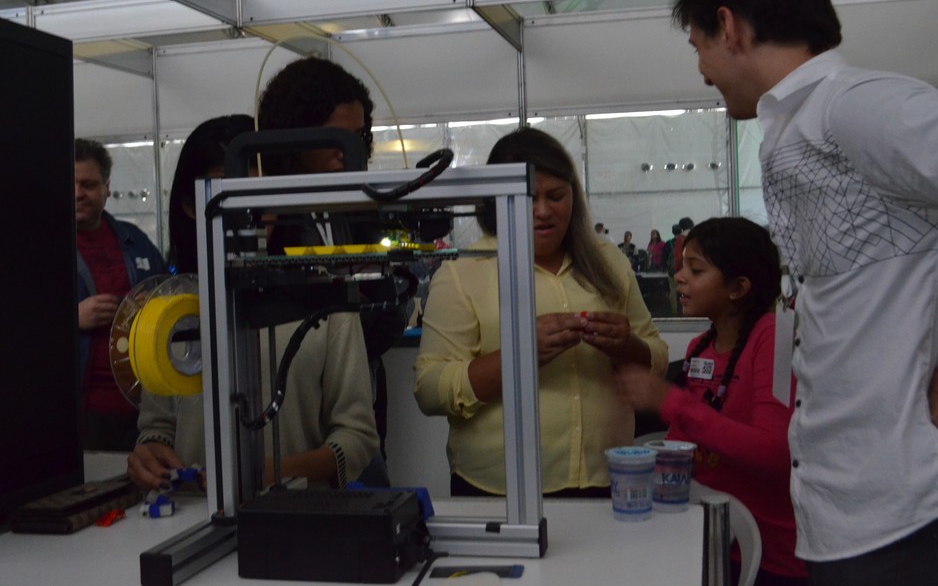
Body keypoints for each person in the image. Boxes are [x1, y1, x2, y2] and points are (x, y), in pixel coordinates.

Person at [671, 0, 938, 583]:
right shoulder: (796, 125)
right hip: (847, 517)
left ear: (728, 27)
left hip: (915, 518)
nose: (700, 69)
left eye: (697, 44)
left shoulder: (856, 106)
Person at [127, 115, 380, 491]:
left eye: (258, 193)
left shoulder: (326, 299)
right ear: (190, 205)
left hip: (298, 513)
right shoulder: (172, 309)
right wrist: (150, 451)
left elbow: (357, 436)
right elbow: (158, 425)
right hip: (193, 514)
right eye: (226, 193)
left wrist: (268, 473)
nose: (248, 213)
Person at [414, 128, 668, 497]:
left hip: (607, 480)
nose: (544, 211)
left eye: (556, 196)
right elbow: (430, 390)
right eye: (528, 197)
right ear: (495, 202)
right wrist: (519, 354)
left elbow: (657, 358)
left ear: (573, 196)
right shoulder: (463, 273)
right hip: (499, 490)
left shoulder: (608, 262)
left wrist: (626, 346)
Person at [616, 217, 805, 584]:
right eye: (682, 267)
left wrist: (670, 401)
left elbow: (774, 453)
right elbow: (682, 442)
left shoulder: (775, 339)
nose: (679, 278)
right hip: (706, 539)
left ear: (738, 288)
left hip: (769, 557)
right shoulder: (699, 347)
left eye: (696, 270)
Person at [256, 57, 406, 482]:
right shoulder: (264, 217)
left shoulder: (356, 206)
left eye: (359, 137)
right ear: (294, 136)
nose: (348, 151)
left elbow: (390, 310)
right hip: (291, 420)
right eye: (335, 137)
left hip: (356, 417)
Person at [75, 138, 167, 451]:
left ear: (107, 187)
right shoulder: (35, 248)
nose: (78, 193)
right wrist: (73, 318)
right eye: (71, 184)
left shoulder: (134, 240)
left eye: (88, 185)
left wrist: (152, 307)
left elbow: (170, 291)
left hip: (143, 406)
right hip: (80, 409)